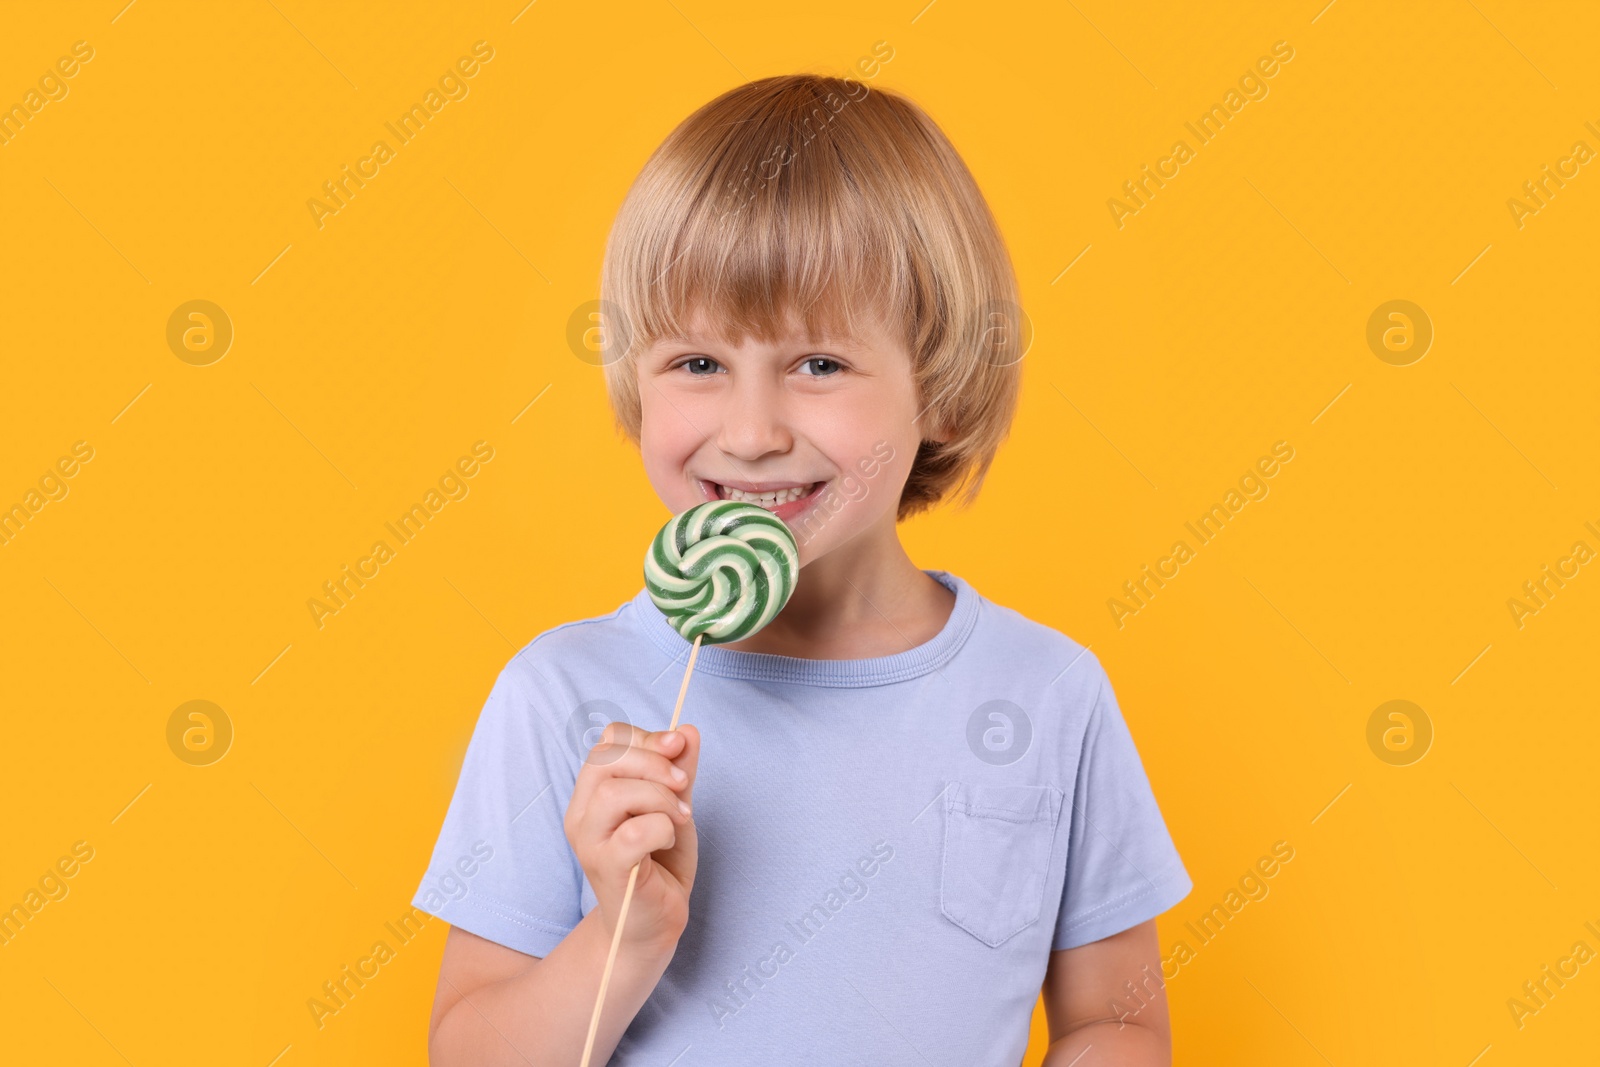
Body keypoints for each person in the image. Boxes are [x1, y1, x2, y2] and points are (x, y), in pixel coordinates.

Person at [414, 72, 1192, 1066]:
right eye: (696, 362)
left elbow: (1114, 1020)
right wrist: (624, 931)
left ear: (943, 392)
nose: (747, 431)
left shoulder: (1046, 693)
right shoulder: (563, 697)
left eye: (818, 363)